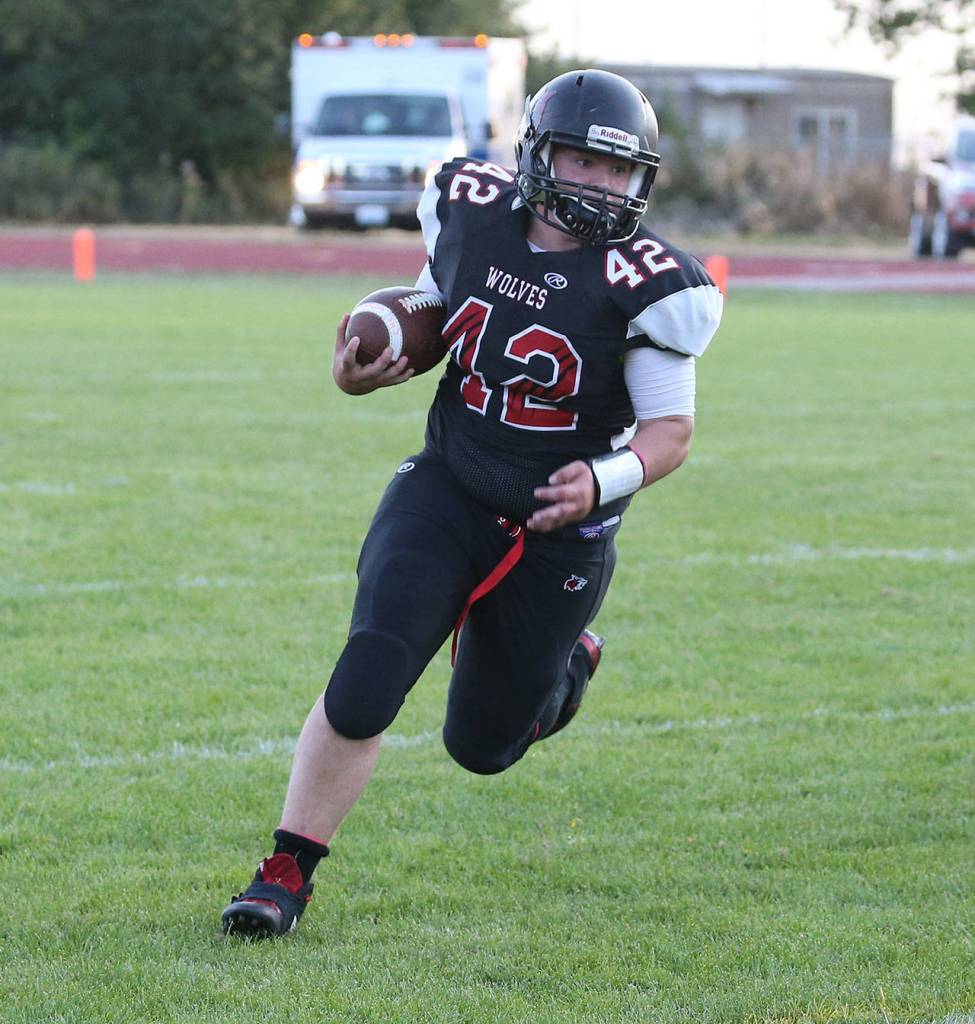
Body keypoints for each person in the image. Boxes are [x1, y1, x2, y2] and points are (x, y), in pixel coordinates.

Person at [221, 68, 723, 938]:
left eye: (620, 170)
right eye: (582, 161)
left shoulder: (649, 283)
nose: (603, 185)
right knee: (367, 677)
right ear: (536, 155)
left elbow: (669, 429)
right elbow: (432, 308)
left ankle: (567, 668)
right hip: (449, 486)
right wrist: (366, 360)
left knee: (480, 748)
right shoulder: (469, 209)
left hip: (557, 532)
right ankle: (283, 875)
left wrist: (603, 480)